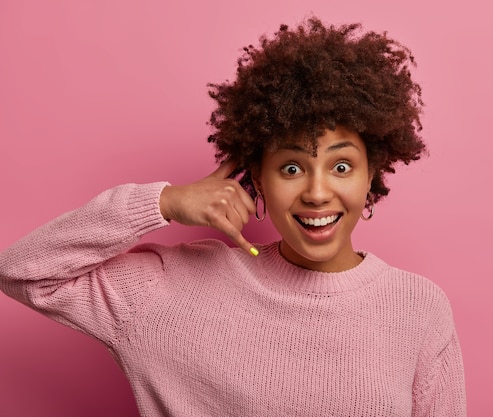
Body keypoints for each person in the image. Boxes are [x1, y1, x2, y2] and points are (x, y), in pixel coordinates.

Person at [0, 17, 466, 417]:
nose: (318, 192)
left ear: (371, 175)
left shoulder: (419, 309)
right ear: (257, 180)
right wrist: (162, 203)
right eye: (291, 167)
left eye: (341, 166)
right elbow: (23, 271)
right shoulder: (170, 289)